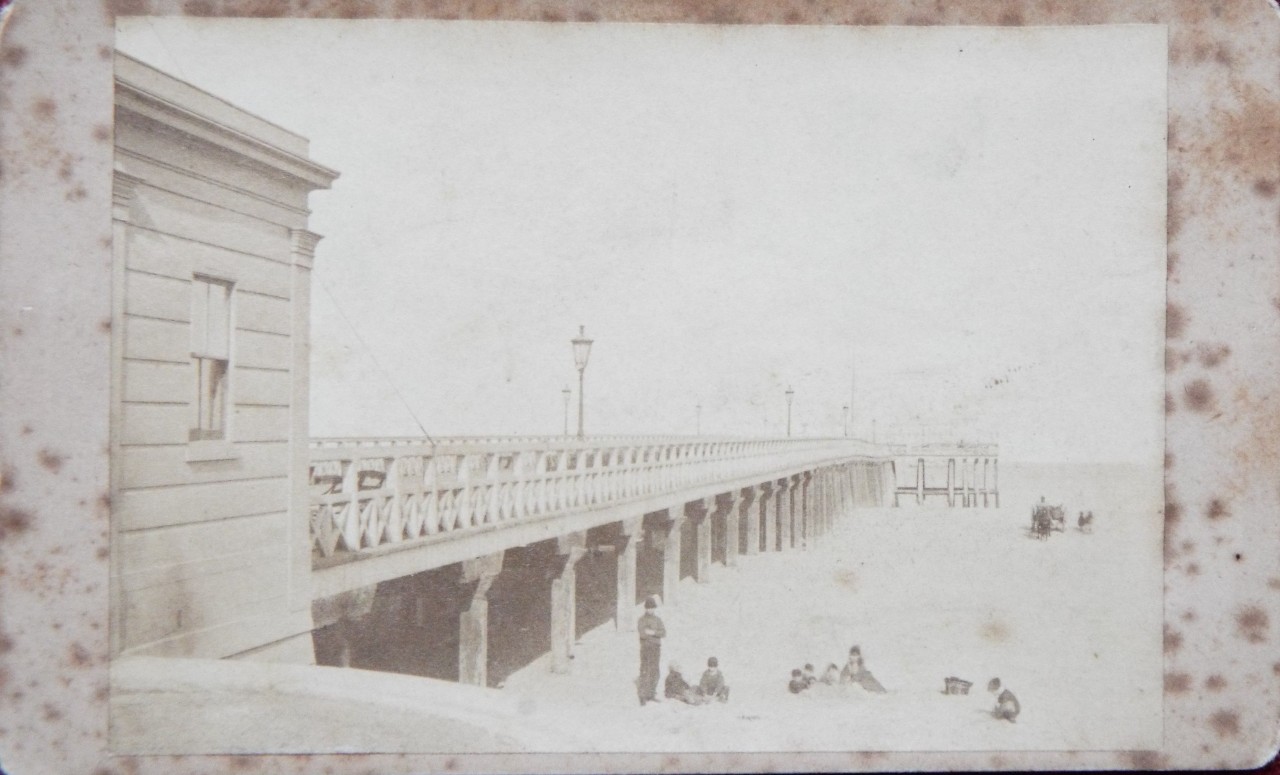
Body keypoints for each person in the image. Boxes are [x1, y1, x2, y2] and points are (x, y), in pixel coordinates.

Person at [636, 596, 666, 706]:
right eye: (649, 608)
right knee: (645, 671)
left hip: (656, 648)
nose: (650, 610)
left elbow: (663, 633)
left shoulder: (658, 620)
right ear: (645, 609)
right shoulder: (641, 620)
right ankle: (642, 696)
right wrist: (654, 633)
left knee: (655, 671)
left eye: (652, 608)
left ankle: (651, 693)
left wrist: (652, 633)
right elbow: (642, 634)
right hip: (645, 648)